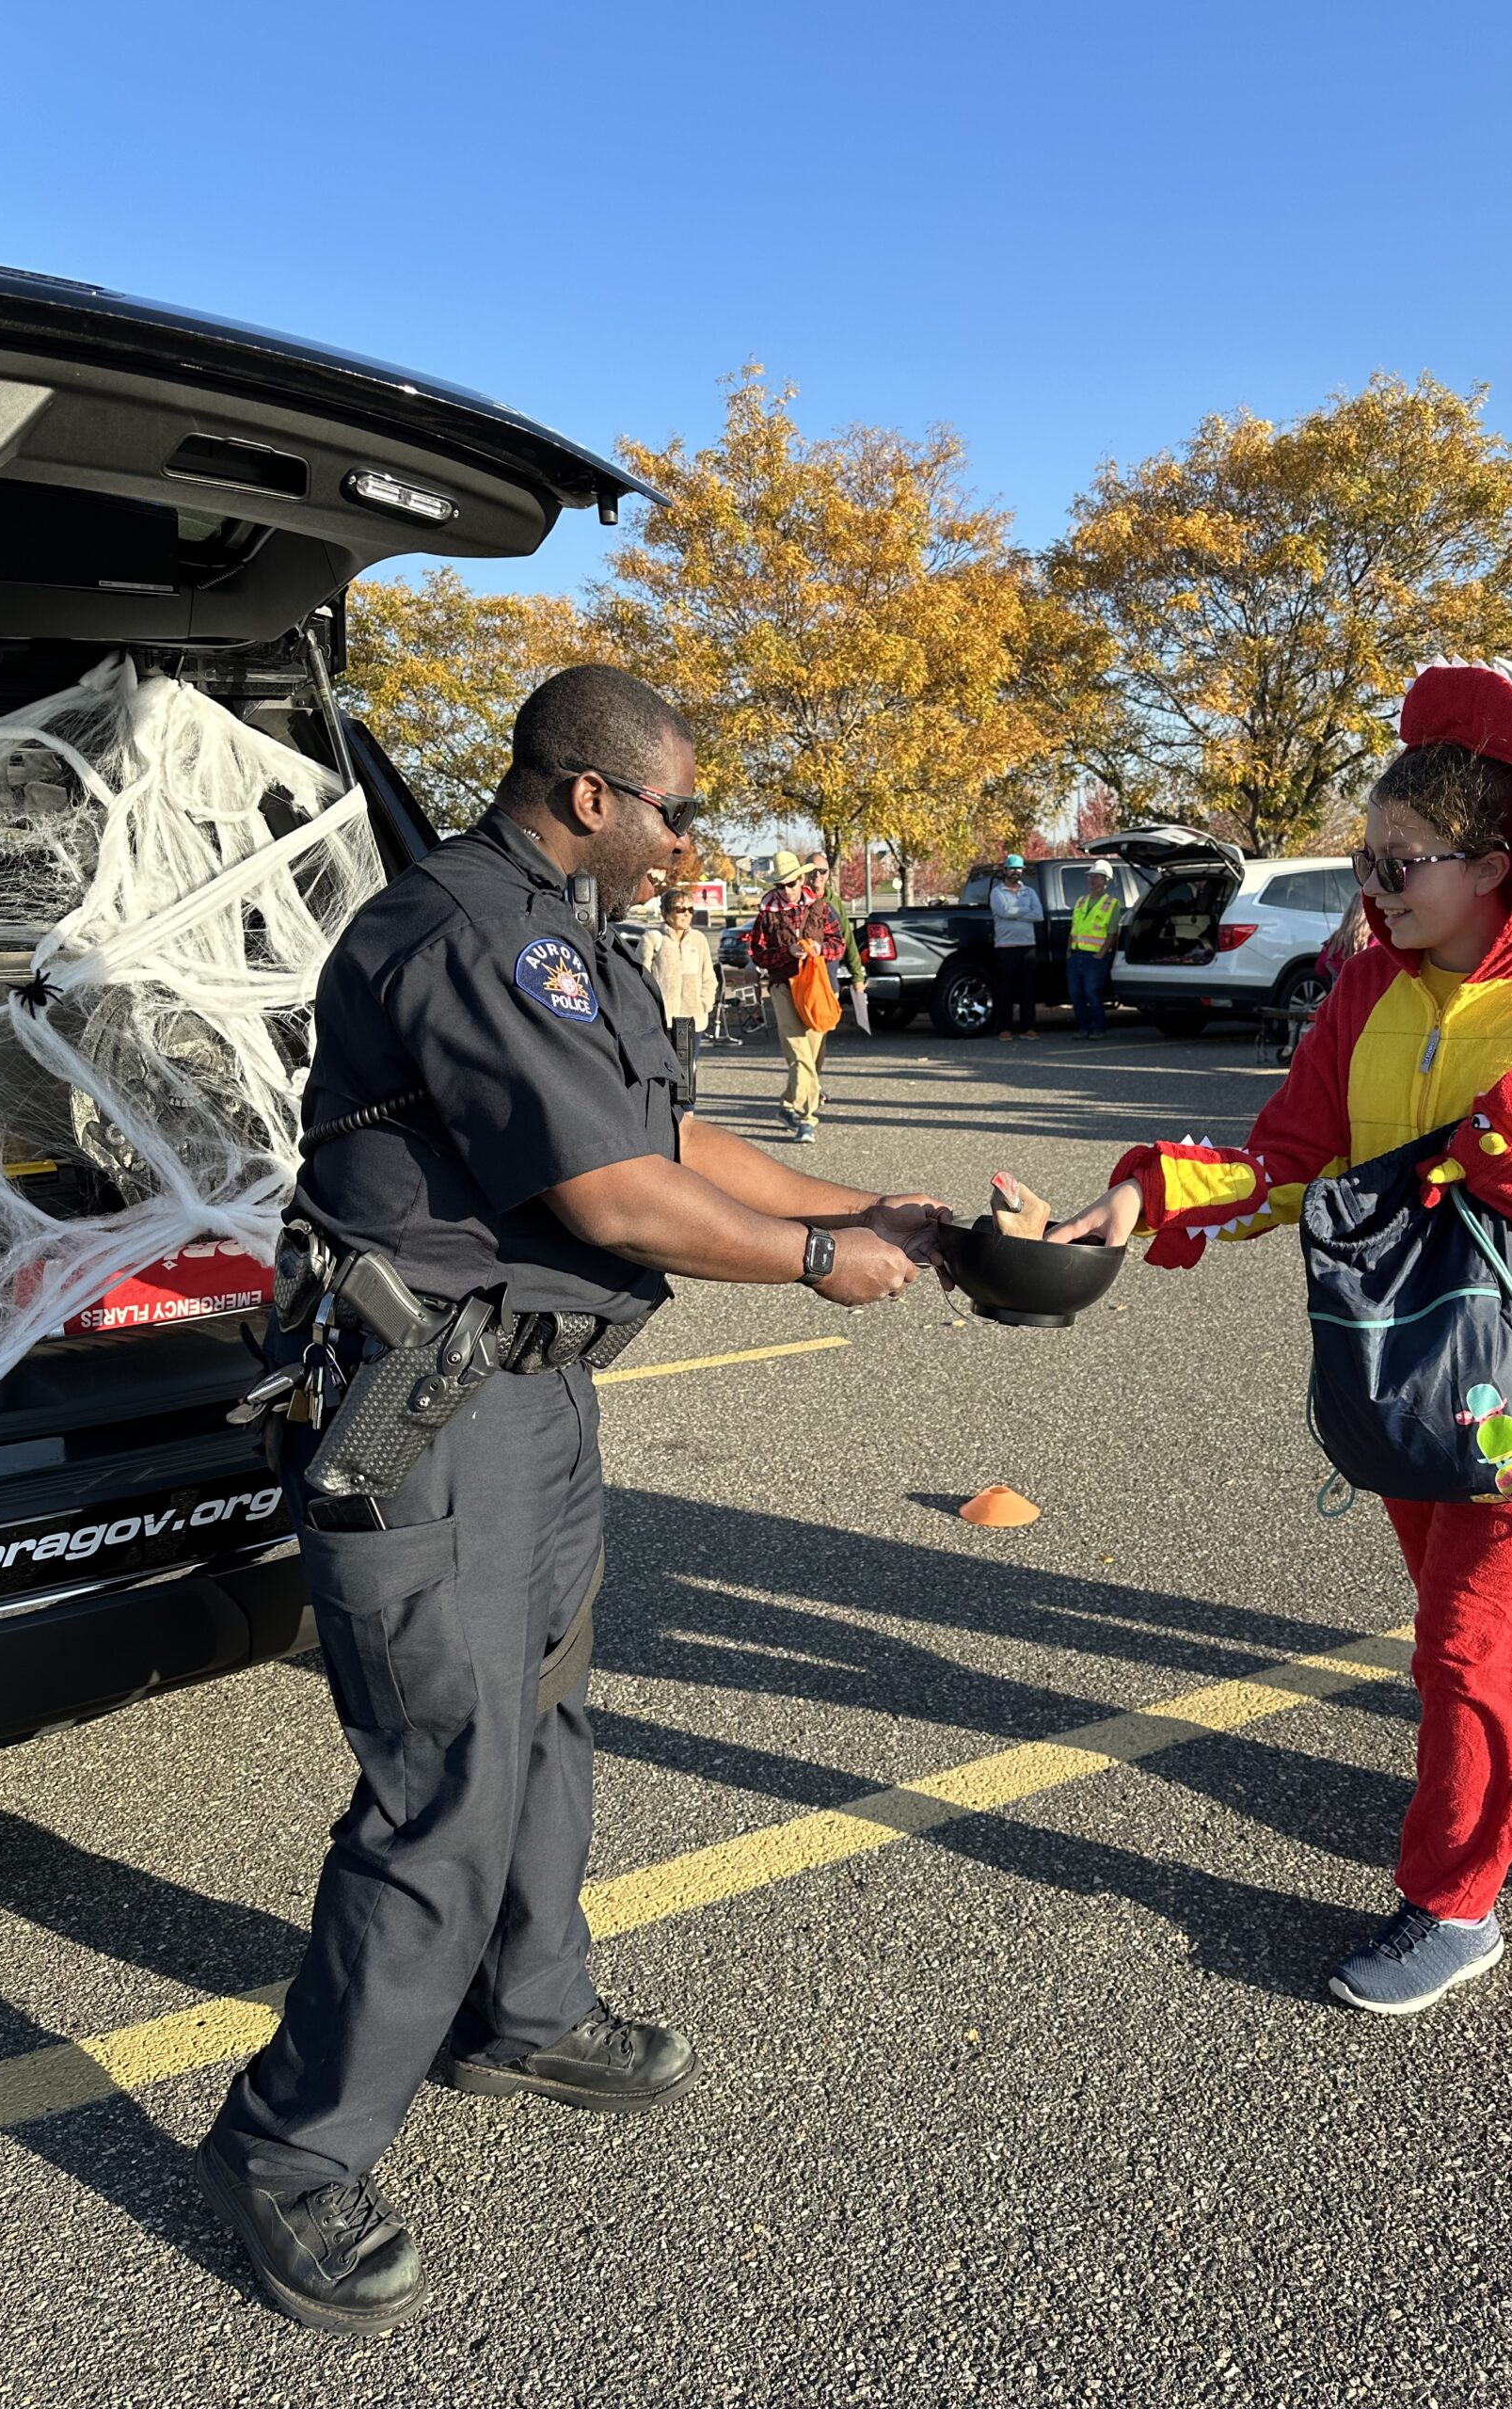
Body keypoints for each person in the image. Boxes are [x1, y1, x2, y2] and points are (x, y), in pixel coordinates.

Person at [198, 666, 947, 2334]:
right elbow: (617, 1200)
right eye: (679, 809)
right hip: (429, 1406)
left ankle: (522, 2013)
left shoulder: (568, 938)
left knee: (543, 1722)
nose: (695, 841)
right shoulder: (474, 931)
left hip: (530, 1400)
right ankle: (287, 2148)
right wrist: (826, 1262)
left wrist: (877, 1199)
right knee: (446, 1779)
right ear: (592, 796)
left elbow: (676, 1140)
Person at [1052, 662, 1512, 2018]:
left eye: (1402, 861)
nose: (1375, 886)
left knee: (1483, 1645)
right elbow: (1290, 1159)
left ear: (1498, 863)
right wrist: (1135, 1200)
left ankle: (1456, 1903)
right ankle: (1488, 1780)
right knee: (1461, 1636)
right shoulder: (1368, 990)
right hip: (1403, 1368)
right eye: (1367, 858)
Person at [749, 849, 846, 1142]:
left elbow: (838, 943)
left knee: (812, 1058)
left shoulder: (821, 908)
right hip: (783, 987)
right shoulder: (766, 915)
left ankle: (788, 1104)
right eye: (780, 885)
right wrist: (786, 952)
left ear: (801, 879)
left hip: (815, 985)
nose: (787, 890)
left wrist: (820, 950)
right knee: (799, 1056)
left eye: (791, 883)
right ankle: (807, 1119)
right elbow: (757, 954)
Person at [645, 885, 718, 1029]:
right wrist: (650, 1010)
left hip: (693, 1022)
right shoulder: (653, 939)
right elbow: (640, 980)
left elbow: (709, 977)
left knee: (692, 1052)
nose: (687, 914)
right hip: (662, 1022)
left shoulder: (699, 939)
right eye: (680, 909)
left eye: (690, 910)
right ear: (666, 913)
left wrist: (704, 1005)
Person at [990, 854, 1043, 1040]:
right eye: (1012, 868)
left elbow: (1038, 915)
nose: (1015, 872)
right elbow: (1003, 911)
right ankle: (1004, 1028)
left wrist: (1016, 913)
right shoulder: (997, 892)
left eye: (1019, 869)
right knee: (1006, 990)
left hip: (1028, 946)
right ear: (1005, 871)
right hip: (1005, 947)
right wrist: (1024, 911)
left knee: (1028, 989)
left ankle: (1027, 1027)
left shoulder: (1029, 892)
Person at [1066, 865, 1121, 1038]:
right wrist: (1069, 951)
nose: (1092, 880)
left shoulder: (1111, 904)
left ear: (1106, 881)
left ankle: (1099, 1028)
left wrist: (1101, 954)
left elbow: (1112, 933)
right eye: (1091, 876)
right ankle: (1084, 1027)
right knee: (1075, 993)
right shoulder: (1081, 901)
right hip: (1077, 954)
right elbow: (1074, 929)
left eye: (1097, 876)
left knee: (1092, 993)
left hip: (1094, 958)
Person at [809, 850, 867, 1003]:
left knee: (827, 1022)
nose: (817, 875)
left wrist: (857, 977)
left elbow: (847, 939)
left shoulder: (834, 903)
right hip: (804, 978)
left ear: (828, 873)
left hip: (829, 975)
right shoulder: (798, 901)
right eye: (812, 870)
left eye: (822, 871)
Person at [1314, 889, 1374, 989]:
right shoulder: (1374, 939)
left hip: (1340, 994)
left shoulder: (1335, 939)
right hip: (1366, 995)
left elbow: (1320, 969)